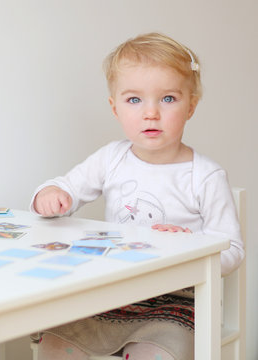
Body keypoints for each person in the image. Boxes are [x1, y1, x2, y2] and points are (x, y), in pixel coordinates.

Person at [30, 32, 244, 360]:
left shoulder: (205, 175)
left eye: (168, 99)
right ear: (115, 108)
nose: (151, 113)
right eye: (134, 100)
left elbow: (233, 250)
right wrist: (51, 194)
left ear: (191, 106)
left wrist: (192, 245)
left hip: (179, 303)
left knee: (155, 354)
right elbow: (68, 188)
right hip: (116, 294)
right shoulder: (111, 158)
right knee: (55, 342)